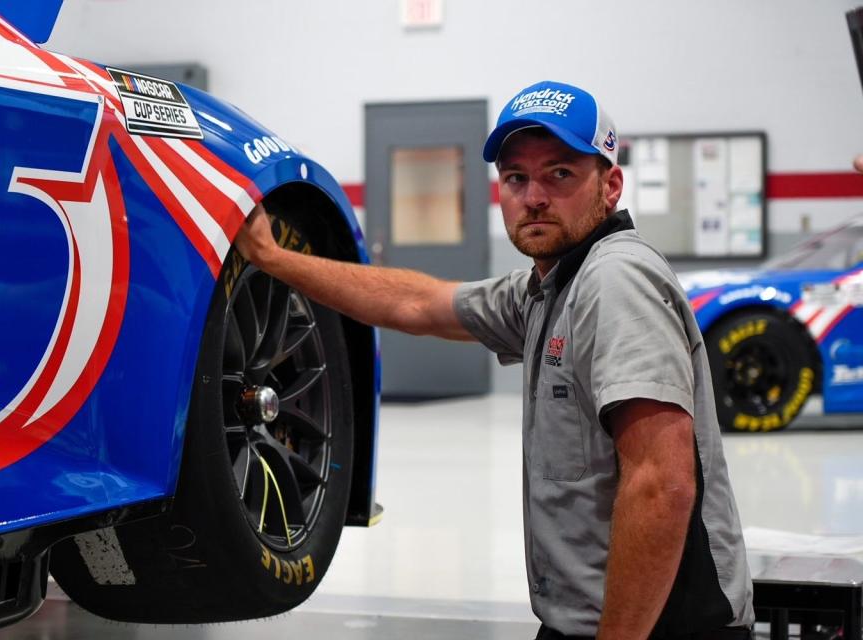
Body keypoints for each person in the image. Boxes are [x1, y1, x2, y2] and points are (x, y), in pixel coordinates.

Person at [235, 80, 754, 639]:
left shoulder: (614, 280)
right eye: (516, 178)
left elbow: (661, 483)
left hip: (659, 629)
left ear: (611, 186)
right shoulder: (545, 289)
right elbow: (418, 302)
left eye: (560, 174)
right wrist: (273, 258)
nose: (533, 196)